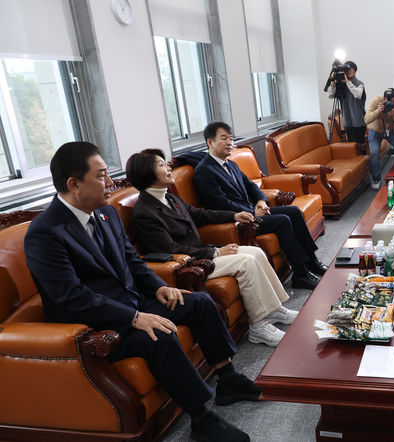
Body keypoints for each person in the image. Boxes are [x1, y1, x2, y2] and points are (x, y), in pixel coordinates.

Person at [25, 142, 257, 442]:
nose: (111, 183)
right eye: (101, 175)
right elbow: (71, 297)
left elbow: (132, 261)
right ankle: (201, 419)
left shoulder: (105, 213)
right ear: (74, 184)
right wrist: (134, 317)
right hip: (96, 323)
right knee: (159, 334)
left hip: (135, 301)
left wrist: (160, 286)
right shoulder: (45, 232)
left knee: (198, 301)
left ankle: (228, 379)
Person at [126, 148, 299, 347]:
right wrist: (215, 252)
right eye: (161, 165)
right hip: (189, 264)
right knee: (246, 261)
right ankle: (259, 327)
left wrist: (234, 215)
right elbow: (171, 249)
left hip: (202, 252)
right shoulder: (144, 213)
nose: (168, 168)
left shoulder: (170, 198)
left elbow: (201, 215)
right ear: (146, 173)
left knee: (256, 252)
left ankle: (273, 310)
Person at [193, 122, 327, 290]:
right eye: (224, 138)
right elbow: (220, 203)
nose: (229, 143)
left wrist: (261, 202)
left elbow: (251, 186)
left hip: (250, 212)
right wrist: (252, 211)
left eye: (231, 139)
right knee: (283, 220)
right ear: (210, 142)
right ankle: (300, 273)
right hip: (235, 219)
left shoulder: (231, 164)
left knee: (294, 211)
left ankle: (312, 261)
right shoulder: (204, 170)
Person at [364, 88, 394, 189]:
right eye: (390, 102)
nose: (393, 104)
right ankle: (376, 178)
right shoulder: (376, 101)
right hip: (376, 130)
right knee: (374, 152)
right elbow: (366, 120)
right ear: (384, 99)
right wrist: (378, 111)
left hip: (391, 130)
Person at [328, 60, 366, 144]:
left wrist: (348, 82)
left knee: (360, 146)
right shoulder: (341, 85)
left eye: (350, 69)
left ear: (355, 70)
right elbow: (330, 95)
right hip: (348, 122)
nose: (347, 71)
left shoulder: (359, 84)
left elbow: (358, 94)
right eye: (345, 70)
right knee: (351, 147)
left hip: (359, 122)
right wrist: (332, 81)